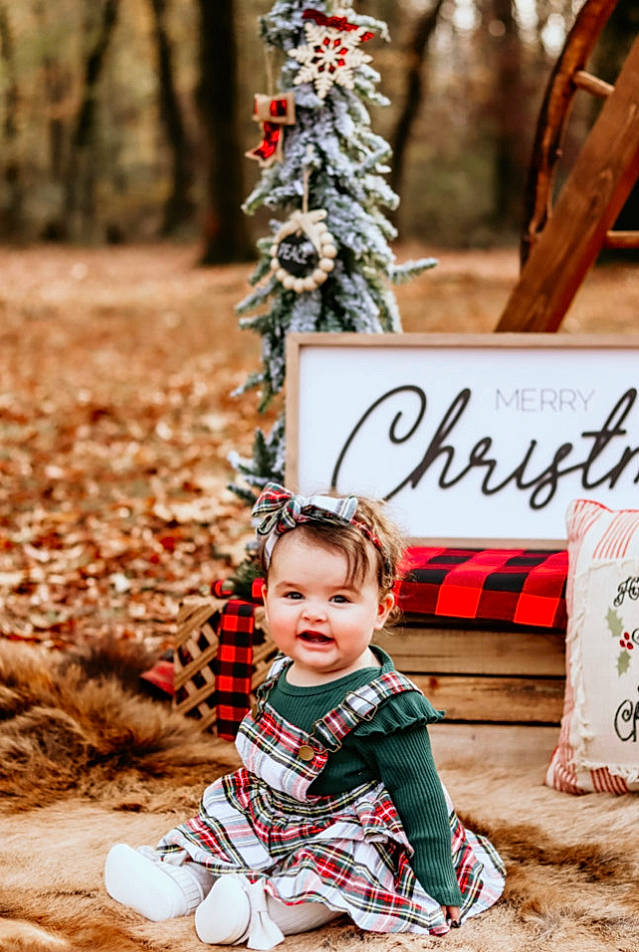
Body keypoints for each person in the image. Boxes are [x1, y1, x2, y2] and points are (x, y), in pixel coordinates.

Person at [104, 483, 505, 949]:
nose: (314, 614)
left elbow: (423, 799)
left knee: (333, 874)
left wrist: (438, 879)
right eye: (294, 595)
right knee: (223, 831)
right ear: (266, 598)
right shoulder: (281, 671)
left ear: (380, 610)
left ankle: (256, 909)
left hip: (350, 827)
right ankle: (179, 885)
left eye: (340, 600)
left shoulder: (387, 705)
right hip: (276, 812)